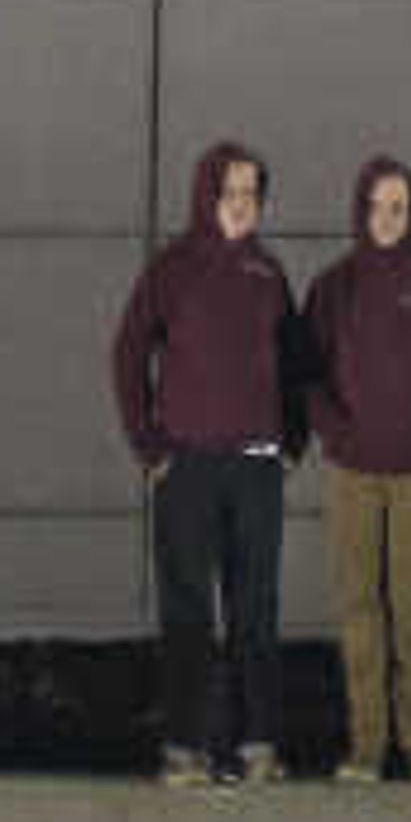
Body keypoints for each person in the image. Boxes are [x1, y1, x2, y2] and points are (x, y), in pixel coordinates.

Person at [110, 138, 302, 785]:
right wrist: (149, 445)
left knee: (257, 606)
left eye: (253, 192)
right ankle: (184, 749)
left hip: (255, 469)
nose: (244, 203)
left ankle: (258, 746)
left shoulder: (269, 273)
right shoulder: (172, 268)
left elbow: (297, 362)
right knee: (189, 609)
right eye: (232, 191)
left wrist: (292, 443)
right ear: (206, 195)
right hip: (186, 466)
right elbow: (128, 352)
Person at [301, 152, 411, 785]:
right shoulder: (333, 286)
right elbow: (307, 375)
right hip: (353, 474)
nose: (386, 217)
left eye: (399, 207)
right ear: (360, 207)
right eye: (377, 205)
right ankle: (366, 750)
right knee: (358, 609)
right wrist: (338, 434)